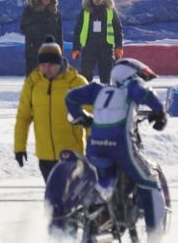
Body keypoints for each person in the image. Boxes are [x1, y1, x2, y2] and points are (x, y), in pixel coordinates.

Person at [65, 58, 168, 236]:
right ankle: (155, 235)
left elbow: (71, 97)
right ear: (131, 74)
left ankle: (102, 213)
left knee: (100, 181)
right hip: (121, 147)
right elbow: (144, 93)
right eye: (140, 76)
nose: (141, 79)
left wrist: (83, 117)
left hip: (95, 147)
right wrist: (160, 113)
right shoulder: (132, 86)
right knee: (150, 182)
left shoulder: (99, 90)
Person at [14, 42, 88, 182]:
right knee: (53, 194)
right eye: (43, 65)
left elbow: (92, 119)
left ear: (60, 63)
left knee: (71, 193)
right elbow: (23, 118)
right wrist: (19, 147)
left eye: (51, 65)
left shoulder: (76, 83)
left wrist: (93, 150)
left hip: (72, 155)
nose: (46, 69)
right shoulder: (32, 84)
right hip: (45, 156)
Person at [72, 0, 124, 84]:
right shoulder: (85, 11)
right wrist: (76, 48)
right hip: (89, 47)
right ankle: (87, 92)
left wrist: (119, 47)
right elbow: (77, 30)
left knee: (106, 77)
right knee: (86, 76)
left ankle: (104, 92)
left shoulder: (110, 10)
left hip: (106, 47)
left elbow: (118, 29)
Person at [19, 0, 64, 75]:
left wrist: (60, 50)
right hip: (34, 49)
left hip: (51, 50)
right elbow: (24, 27)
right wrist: (39, 29)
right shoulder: (31, 9)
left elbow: (59, 32)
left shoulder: (55, 11)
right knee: (34, 76)